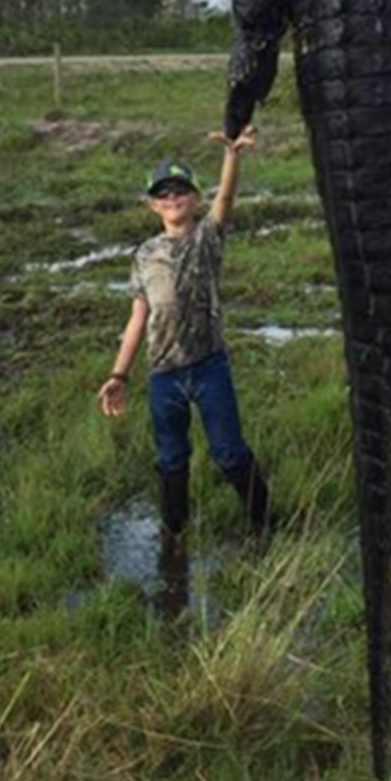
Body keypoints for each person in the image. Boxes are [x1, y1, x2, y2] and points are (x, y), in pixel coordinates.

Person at [98, 127, 272, 543]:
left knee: (230, 453)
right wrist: (119, 375)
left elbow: (226, 201)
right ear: (152, 204)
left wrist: (232, 156)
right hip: (164, 375)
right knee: (172, 460)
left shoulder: (207, 238)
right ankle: (174, 535)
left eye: (180, 191)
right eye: (163, 194)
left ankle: (265, 524)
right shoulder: (144, 255)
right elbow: (137, 318)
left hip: (210, 366)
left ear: (194, 198)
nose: (172, 199)